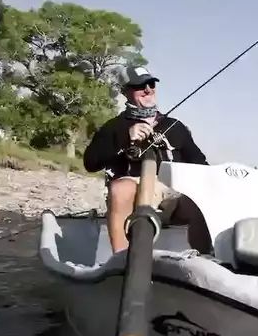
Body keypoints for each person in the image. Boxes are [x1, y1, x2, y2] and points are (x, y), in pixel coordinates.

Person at [83, 64, 212, 254]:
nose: (148, 89)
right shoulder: (113, 127)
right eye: (139, 85)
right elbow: (91, 163)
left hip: (173, 192)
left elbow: (200, 164)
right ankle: (122, 259)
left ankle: (205, 261)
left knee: (201, 199)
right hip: (134, 193)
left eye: (151, 84)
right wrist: (125, 138)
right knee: (120, 188)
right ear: (125, 91)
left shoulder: (175, 126)